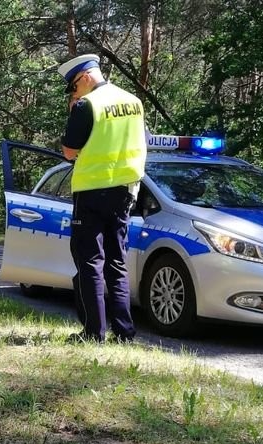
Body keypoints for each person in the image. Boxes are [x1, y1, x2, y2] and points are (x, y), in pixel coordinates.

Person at [58, 54, 147, 343]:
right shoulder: (134, 102)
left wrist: (74, 112)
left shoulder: (87, 105)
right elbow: (142, 139)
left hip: (92, 191)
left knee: (90, 263)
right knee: (117, 262)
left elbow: (69, 152)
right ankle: (124, 332)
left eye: (73, 86)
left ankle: (94, 333)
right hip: (124, 192)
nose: (73, 93)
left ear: (84, 77)